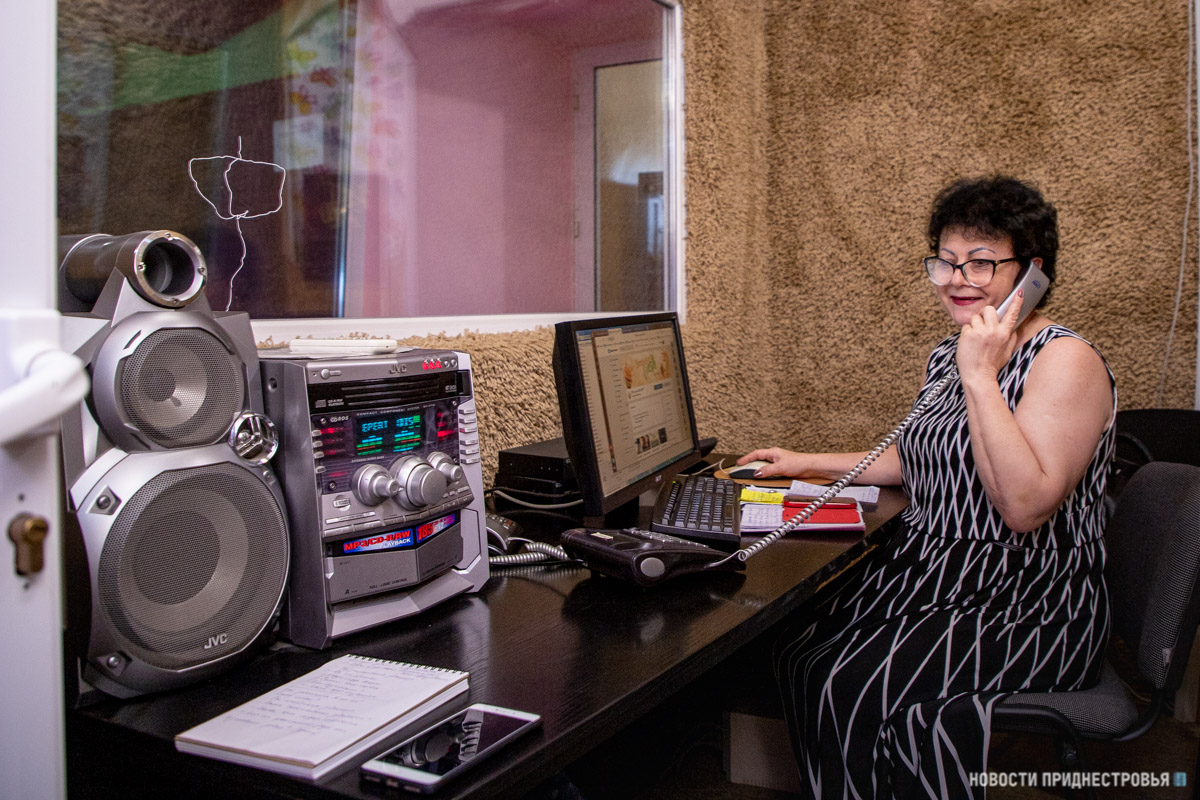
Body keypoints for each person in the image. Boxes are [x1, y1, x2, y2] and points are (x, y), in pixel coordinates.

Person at [738, 175, 1115, 799]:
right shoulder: (950, 353)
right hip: (931, 572)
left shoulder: (1063, 360)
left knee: (848, 682)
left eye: (981, 262)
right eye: (946, 261)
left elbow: (1025, 506)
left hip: (1025, 597)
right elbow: (918, 458)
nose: (957, 279)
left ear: (1033, 271)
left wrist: (981, 377)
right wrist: (802, 461)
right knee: (798, 651)